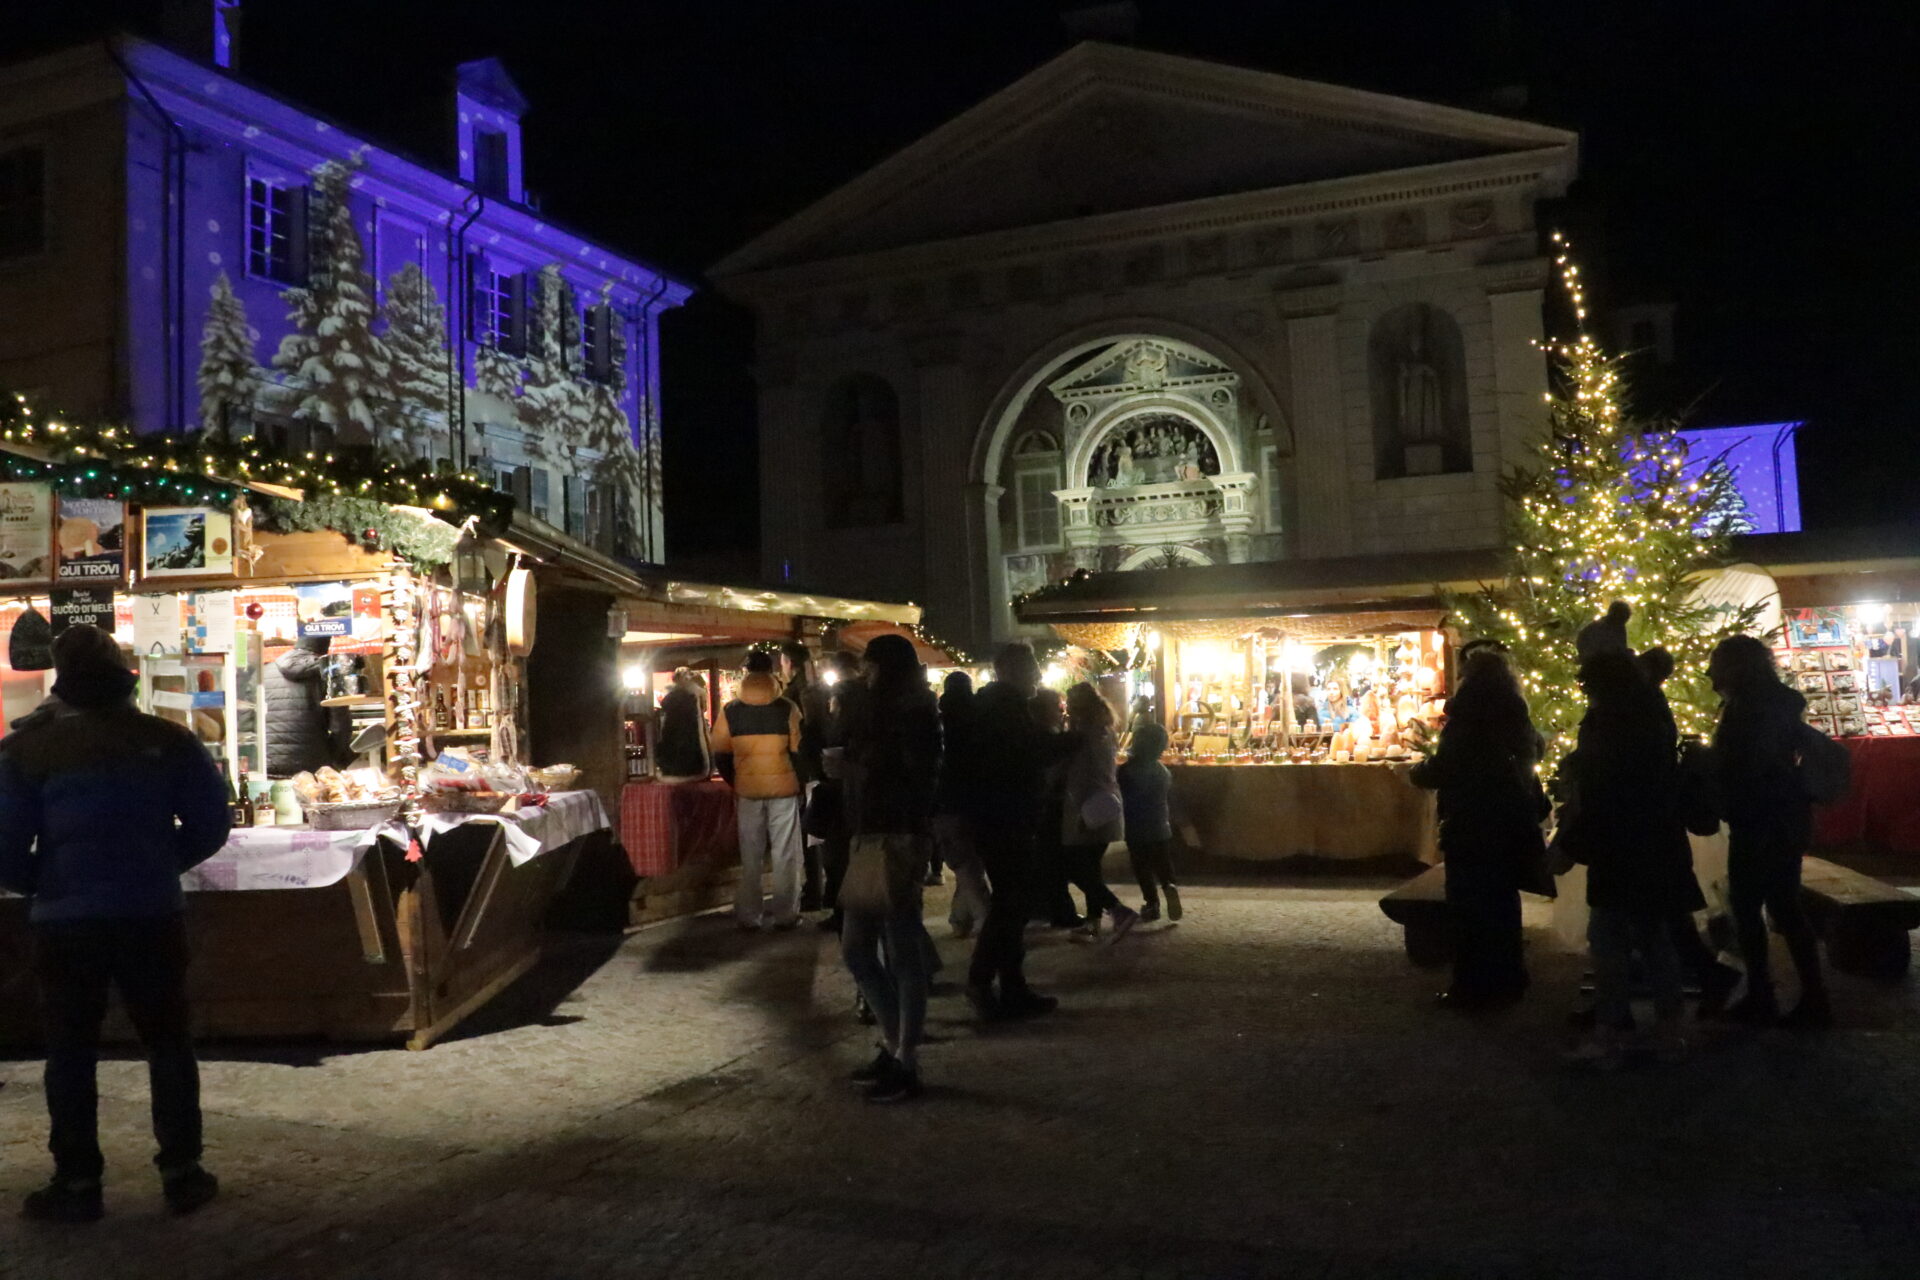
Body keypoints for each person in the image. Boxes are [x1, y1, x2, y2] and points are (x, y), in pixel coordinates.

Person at [0, 625, 232, 1222]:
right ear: (125, 679)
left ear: (63, 683)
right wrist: (159, 865)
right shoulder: (169, 740)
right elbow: (211, 824)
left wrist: (46, 880)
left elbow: (3, 847)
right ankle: (182, 1172)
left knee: (70, 1052)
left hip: (65, 924)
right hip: (151, 915)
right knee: (168, 1044)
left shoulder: (28, 751)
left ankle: (78, 1183)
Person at [1559, 603, 1701, 1067]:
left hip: (1624, 843)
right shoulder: (1646, 711)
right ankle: (1667, 1026)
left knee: (1610, 936)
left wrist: (1572, 832)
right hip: (1652, 839)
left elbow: (1608, 786)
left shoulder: (1615, 721)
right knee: (1651, 932)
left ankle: (1614, 1029)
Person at [1408, 648, 1548, 1010]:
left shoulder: (1468, 719)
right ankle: (1510, 976)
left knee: (1469, 905)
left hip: (1471, 822)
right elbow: (1538, 750)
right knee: (1502, 902)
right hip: (1510, 820)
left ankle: (1472, 985)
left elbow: (1445, 768)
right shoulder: (1516, 714)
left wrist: (1417, 772)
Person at [838, 635, 941, 1102]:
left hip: (897, 835)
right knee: (857, 947)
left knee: (901, 951)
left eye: (869, 665)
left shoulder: (914, 712)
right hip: (871, 832)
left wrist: (857, 762)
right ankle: (895, 1041)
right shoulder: (878, 710)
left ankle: (907, 1059)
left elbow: (916, 776)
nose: (864, 673)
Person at [1709, 634, 1829, 1028]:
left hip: (1760, 818)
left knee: (1755, 907)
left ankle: (1771, 995)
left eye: (1718, 664)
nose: (1711, 672)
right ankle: (1804, 996)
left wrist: (1711, 764)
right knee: (1781, 904)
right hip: (1782, 815)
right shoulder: (1775, 701)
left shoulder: (1749, 708)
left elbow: (1751, 763)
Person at [960, 643, 1066, 1020]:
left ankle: (1012, 986)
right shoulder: (1002, 707)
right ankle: (982, 981)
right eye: (1032, 667)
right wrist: (1071, 740)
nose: (1038, 675)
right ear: (1013, 671)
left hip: (1003, 817)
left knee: (1013, 904)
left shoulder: (998, 705)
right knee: (1010, 904)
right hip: (1005, 819)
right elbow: (1023, 755)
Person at [711, 650, 805, 930]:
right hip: (784, 790)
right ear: (772, 672)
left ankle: (750, 915)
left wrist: (737, 780)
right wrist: (799, 783)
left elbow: (721, 753)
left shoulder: (730, 710)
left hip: (748, 792)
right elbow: (799, 751)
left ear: (746, 673)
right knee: (785, 853)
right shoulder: (787, 708)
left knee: (750, 854)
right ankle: (786, 914)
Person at [1061, 683, 1139, 941]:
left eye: (1070, 705)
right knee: (1090, 866)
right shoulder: (1104, 731)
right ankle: (1093, 922)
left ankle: (1118, 910)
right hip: (1104, 803)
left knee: (1076, 867)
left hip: (1089, 806)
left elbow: (1083, 773)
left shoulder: (1084, 735)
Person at [934, 671, 991, 938]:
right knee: (970, 861)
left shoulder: (940, 721)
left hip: (948, 799)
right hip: (978, 797)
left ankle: (979, 918)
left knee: (964, 863)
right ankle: (963, 919)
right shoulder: (980, 719)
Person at [810, 651, 861, 932]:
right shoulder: (862, 696)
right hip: (844, 788)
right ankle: (845, 914)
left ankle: (846, 916)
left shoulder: (843, 697)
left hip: (842, 788)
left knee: (839, 856)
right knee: (840, 856)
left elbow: (829, 736)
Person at [262, 634, 352, 777]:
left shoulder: (265, 672)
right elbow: (340, 726)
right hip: (313, 766)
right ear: (324, 650)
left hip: (267, 763)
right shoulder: (328, 674)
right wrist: (335, 759)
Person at [1119, 720, 1181, 923]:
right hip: (1160, 826)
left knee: (1142, 866)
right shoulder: (1162, 772)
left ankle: (1152, 903)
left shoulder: (1126, 771)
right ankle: (1169, 885)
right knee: (1163, 861)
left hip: (1135, 826)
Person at [782, 642, 827, 912]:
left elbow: (798, 739)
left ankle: (814, 891)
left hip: (803, 771)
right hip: (818, 768)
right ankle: (822, 889)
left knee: (808, 833)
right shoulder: (816, 690)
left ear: (790, 663)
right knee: (818, 833)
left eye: (783, 662)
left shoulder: (791, 696)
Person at [655, 667, 712, 781]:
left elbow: (665, 736)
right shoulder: (694, 696)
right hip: (696, 766)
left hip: (671, 769)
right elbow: (700, 736)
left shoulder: (670, 699)